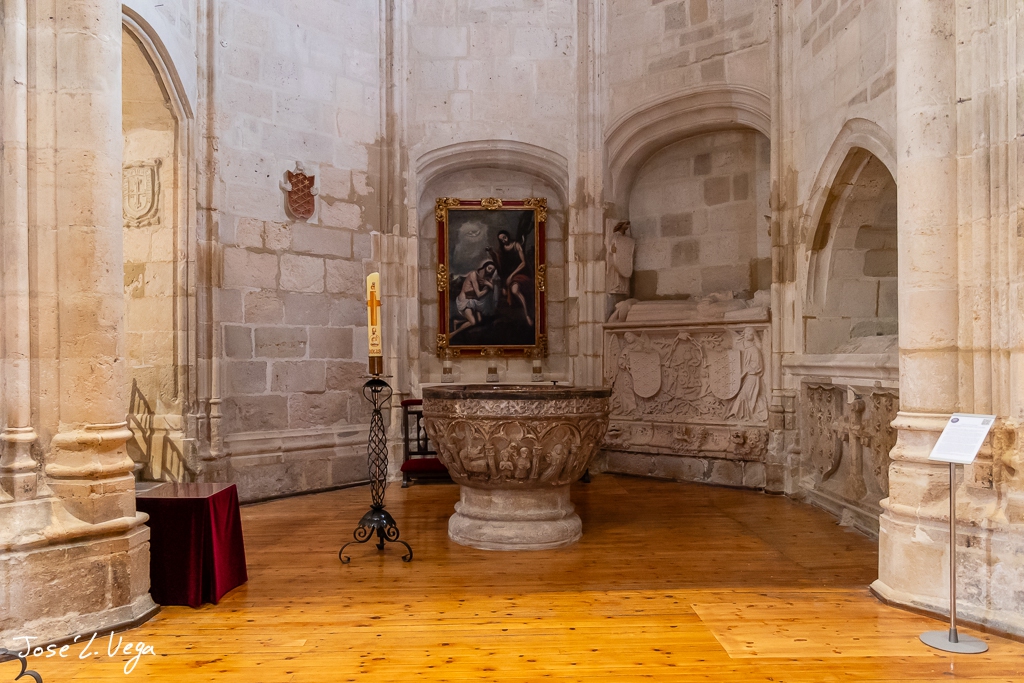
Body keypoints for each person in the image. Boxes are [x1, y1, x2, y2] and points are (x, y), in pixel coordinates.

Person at [450, 259, 500, 339]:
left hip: (473, 301)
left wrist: (488, 284)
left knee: (479, 320)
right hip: (464, 301)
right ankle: (453, 334)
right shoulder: (473, 275)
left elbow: (494, 288)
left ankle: (457, 322)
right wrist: (487, 288)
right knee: (473, 322)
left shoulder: (486, 278)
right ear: (484, 267)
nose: (490, 271)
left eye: (492, 270)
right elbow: (478, 294)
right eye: (489, 268)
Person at [496, 230, 533, 326]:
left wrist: (512, 275)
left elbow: (523, 263)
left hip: (519, 273)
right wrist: (504, 284)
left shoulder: (516, 245)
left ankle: (527, 315)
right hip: (508, 277)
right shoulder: (502, 250)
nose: (504, 240)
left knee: (515, 290)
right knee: (504, 293)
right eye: (501, 240)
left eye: (504, 237)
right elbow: (502, 268)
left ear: (507, 236)